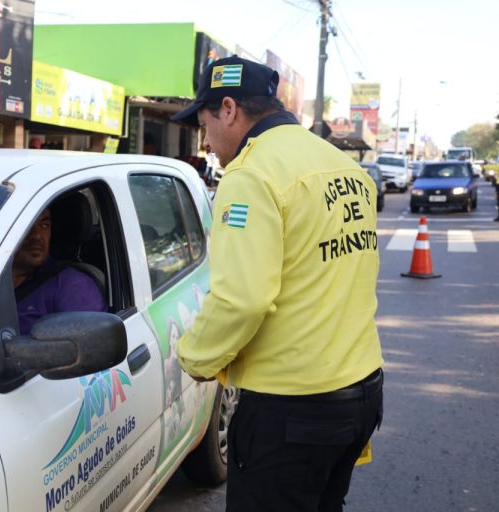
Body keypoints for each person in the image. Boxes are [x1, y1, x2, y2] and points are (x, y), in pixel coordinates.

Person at [171, 56, 384, 512]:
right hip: (361, 392)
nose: (206, 143)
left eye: (205, 125)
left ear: (228, 109)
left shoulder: (252, 174)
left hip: (293, 407)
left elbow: (242, 300)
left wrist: (195, 357)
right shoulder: (344, 167)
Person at [12, 207, 106, 335]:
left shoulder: (72, 286)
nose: (37, 235)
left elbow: (89, 347)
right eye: (27, 225)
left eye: (45, 225)